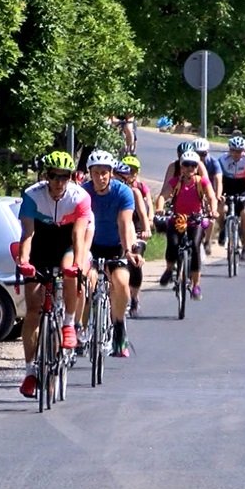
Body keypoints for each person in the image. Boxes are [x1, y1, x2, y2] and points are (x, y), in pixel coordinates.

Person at [16, 150, 92, 398]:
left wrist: (78, 265)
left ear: (72, 177)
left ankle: (69, 324)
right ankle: (30, 372)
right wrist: (24, 261)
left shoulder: (80, 196)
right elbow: (28, 234)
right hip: (41, 241)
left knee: (70, 272)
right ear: (46, 176)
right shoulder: (32, 195)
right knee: (33, 311)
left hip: (66, 241)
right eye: (54, 176)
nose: (59, 182)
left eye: (65, 177)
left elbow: (78, 236)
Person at [81, 150, 140, 357]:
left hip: (116, 245)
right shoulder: (83, 192)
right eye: (96, 173)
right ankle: (82, 329)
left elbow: (125, 223)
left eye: (105, 172)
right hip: (91, 245)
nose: (101, 177)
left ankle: (118, 326)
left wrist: (127, 250)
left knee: (121, 282)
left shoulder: (123, 192)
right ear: (90, 173)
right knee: (88, 281)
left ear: (111, 172)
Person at [155, 150, 217, 299]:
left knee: (195, 247)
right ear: (181, 167)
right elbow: (163, 195)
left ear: (197, 167)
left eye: (193, 166)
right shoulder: (176, 182)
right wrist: (160, 208)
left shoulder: (201, 182)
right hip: (178, 218)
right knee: (173, 242)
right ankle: (169, 269)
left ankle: (196, 285)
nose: (189, 169)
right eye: (186, 165)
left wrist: (213, 210)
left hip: (195, 219)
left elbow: (211, 196)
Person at [115, 156, 152, 317]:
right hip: (116, 232)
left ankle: (134, 296)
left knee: (135, 261)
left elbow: (143, 214)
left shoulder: (135, 192)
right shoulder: (111, 193)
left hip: (135, 230)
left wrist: (146, 229)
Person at [216, 135, 245, 261]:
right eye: (233, 150)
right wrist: (218, 194)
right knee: (221, 208)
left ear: (243, 151)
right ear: (229, 149)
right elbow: (218, 179)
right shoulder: (222, 159)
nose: (236, 153)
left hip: (244, 189)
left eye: (239, 151)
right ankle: (223, 229)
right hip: (227, 187)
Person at [193, 137, 222, 256]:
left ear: (207, 152)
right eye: (197, 154)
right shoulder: (190, 163)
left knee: (211, 217)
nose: (200, 157)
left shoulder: (213, 163)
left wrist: (218, 196)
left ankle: (207, 241)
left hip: (209, 190)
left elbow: (218, 180)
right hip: (196, 190)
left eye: (203, 154)